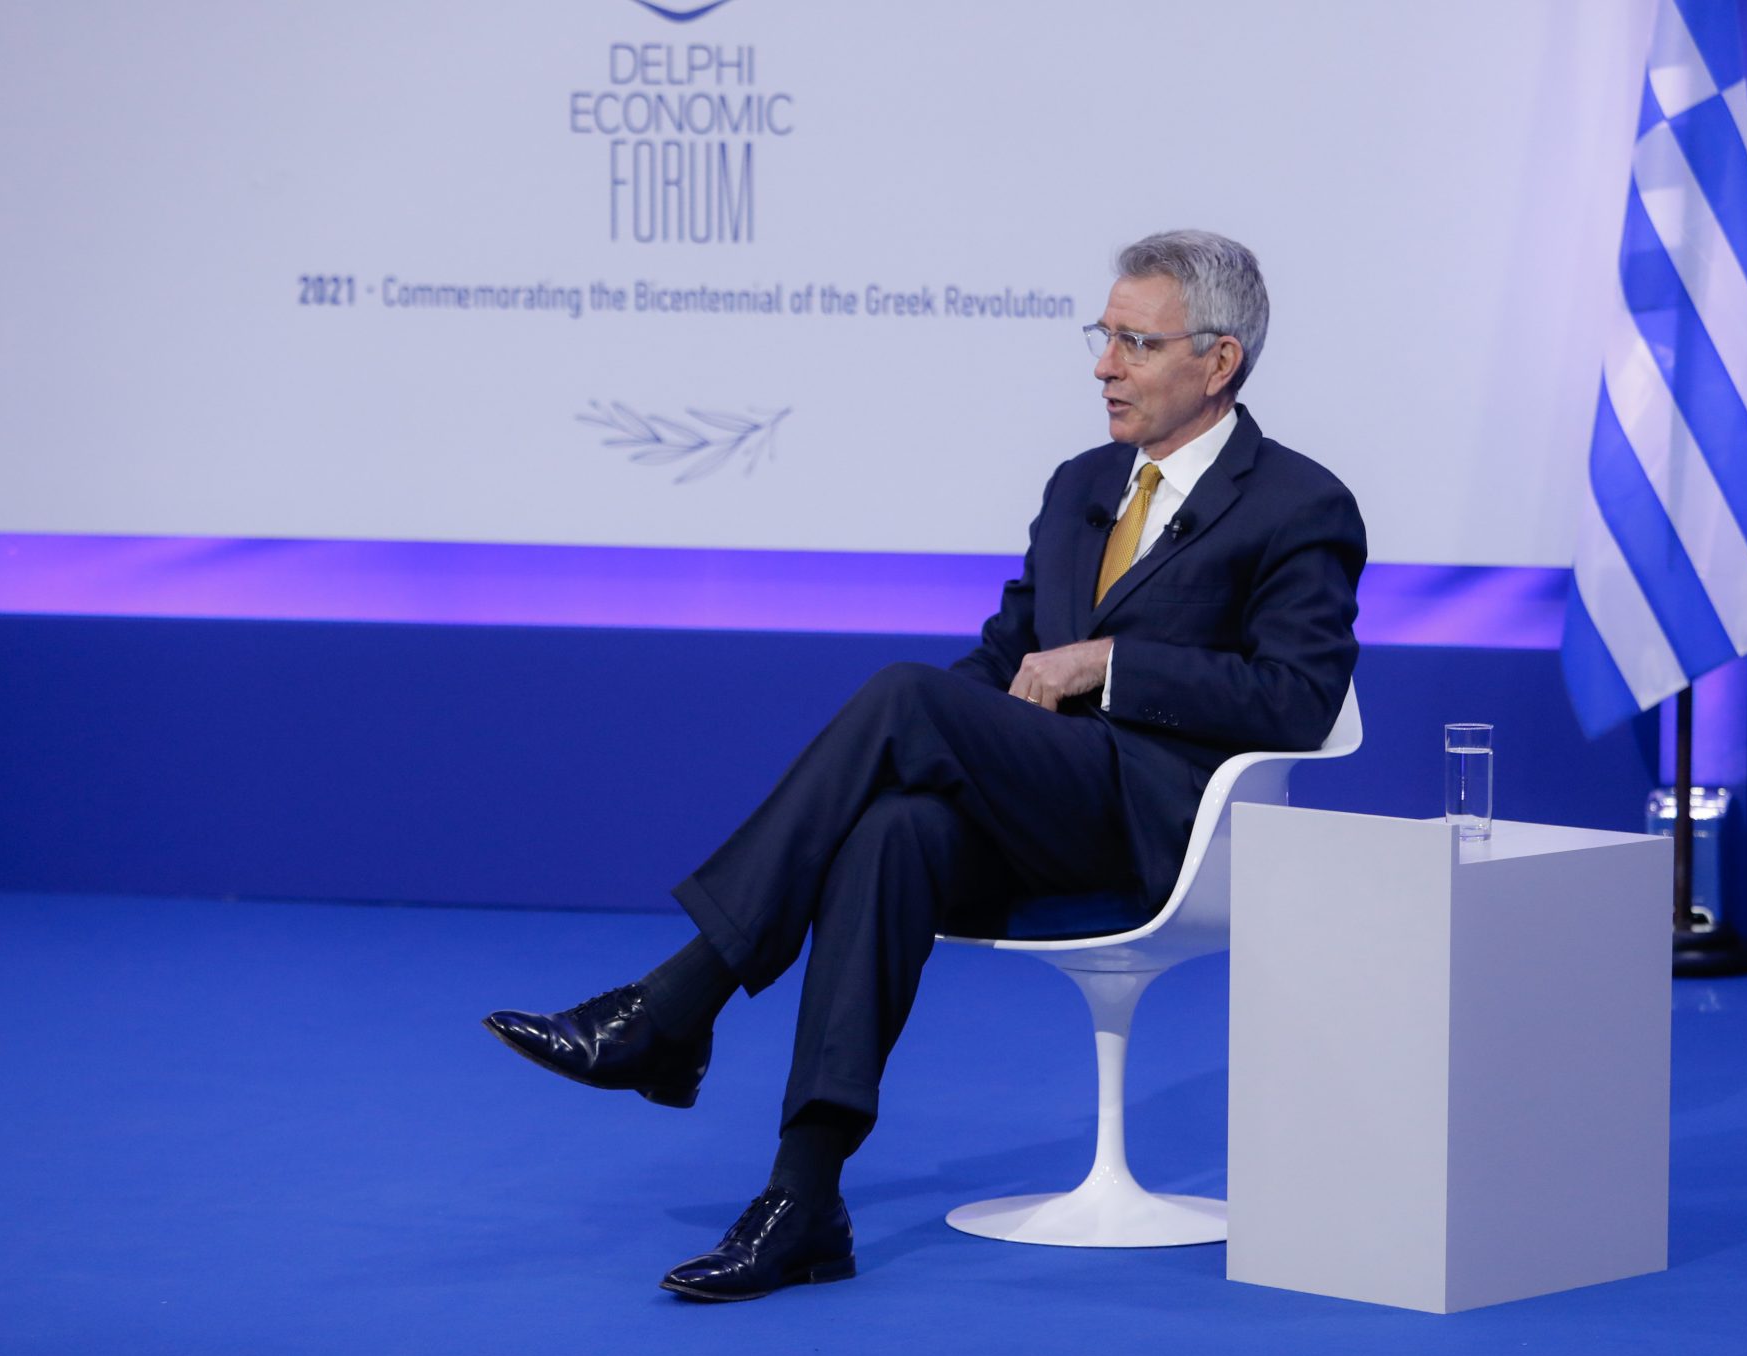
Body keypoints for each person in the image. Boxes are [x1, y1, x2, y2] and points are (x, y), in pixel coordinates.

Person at [483, 229, 1366, 1302]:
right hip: (1042, 805)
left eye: (1135, 343)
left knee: (906, 696)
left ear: (1218, 361)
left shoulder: (1298, 504)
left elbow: (1296, 696)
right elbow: (1001, 660)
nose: (1103, 366)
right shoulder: (1080, 485)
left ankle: (678, 1003)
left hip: (1158, 824)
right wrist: (950, 739)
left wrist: (1113, 663)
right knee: (890, 829)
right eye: (1102, 337)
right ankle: (805, 1197)